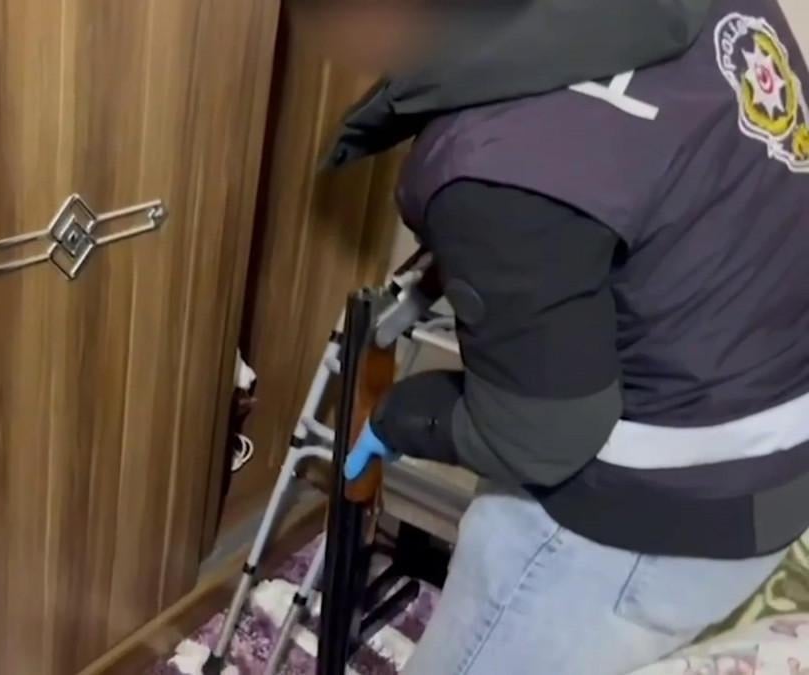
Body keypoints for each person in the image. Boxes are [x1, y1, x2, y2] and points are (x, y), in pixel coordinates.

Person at [312, 0, 809, 672]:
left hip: (646, 519)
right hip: (773, 453)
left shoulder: (498, 158)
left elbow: (542, 439)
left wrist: (410, 416)